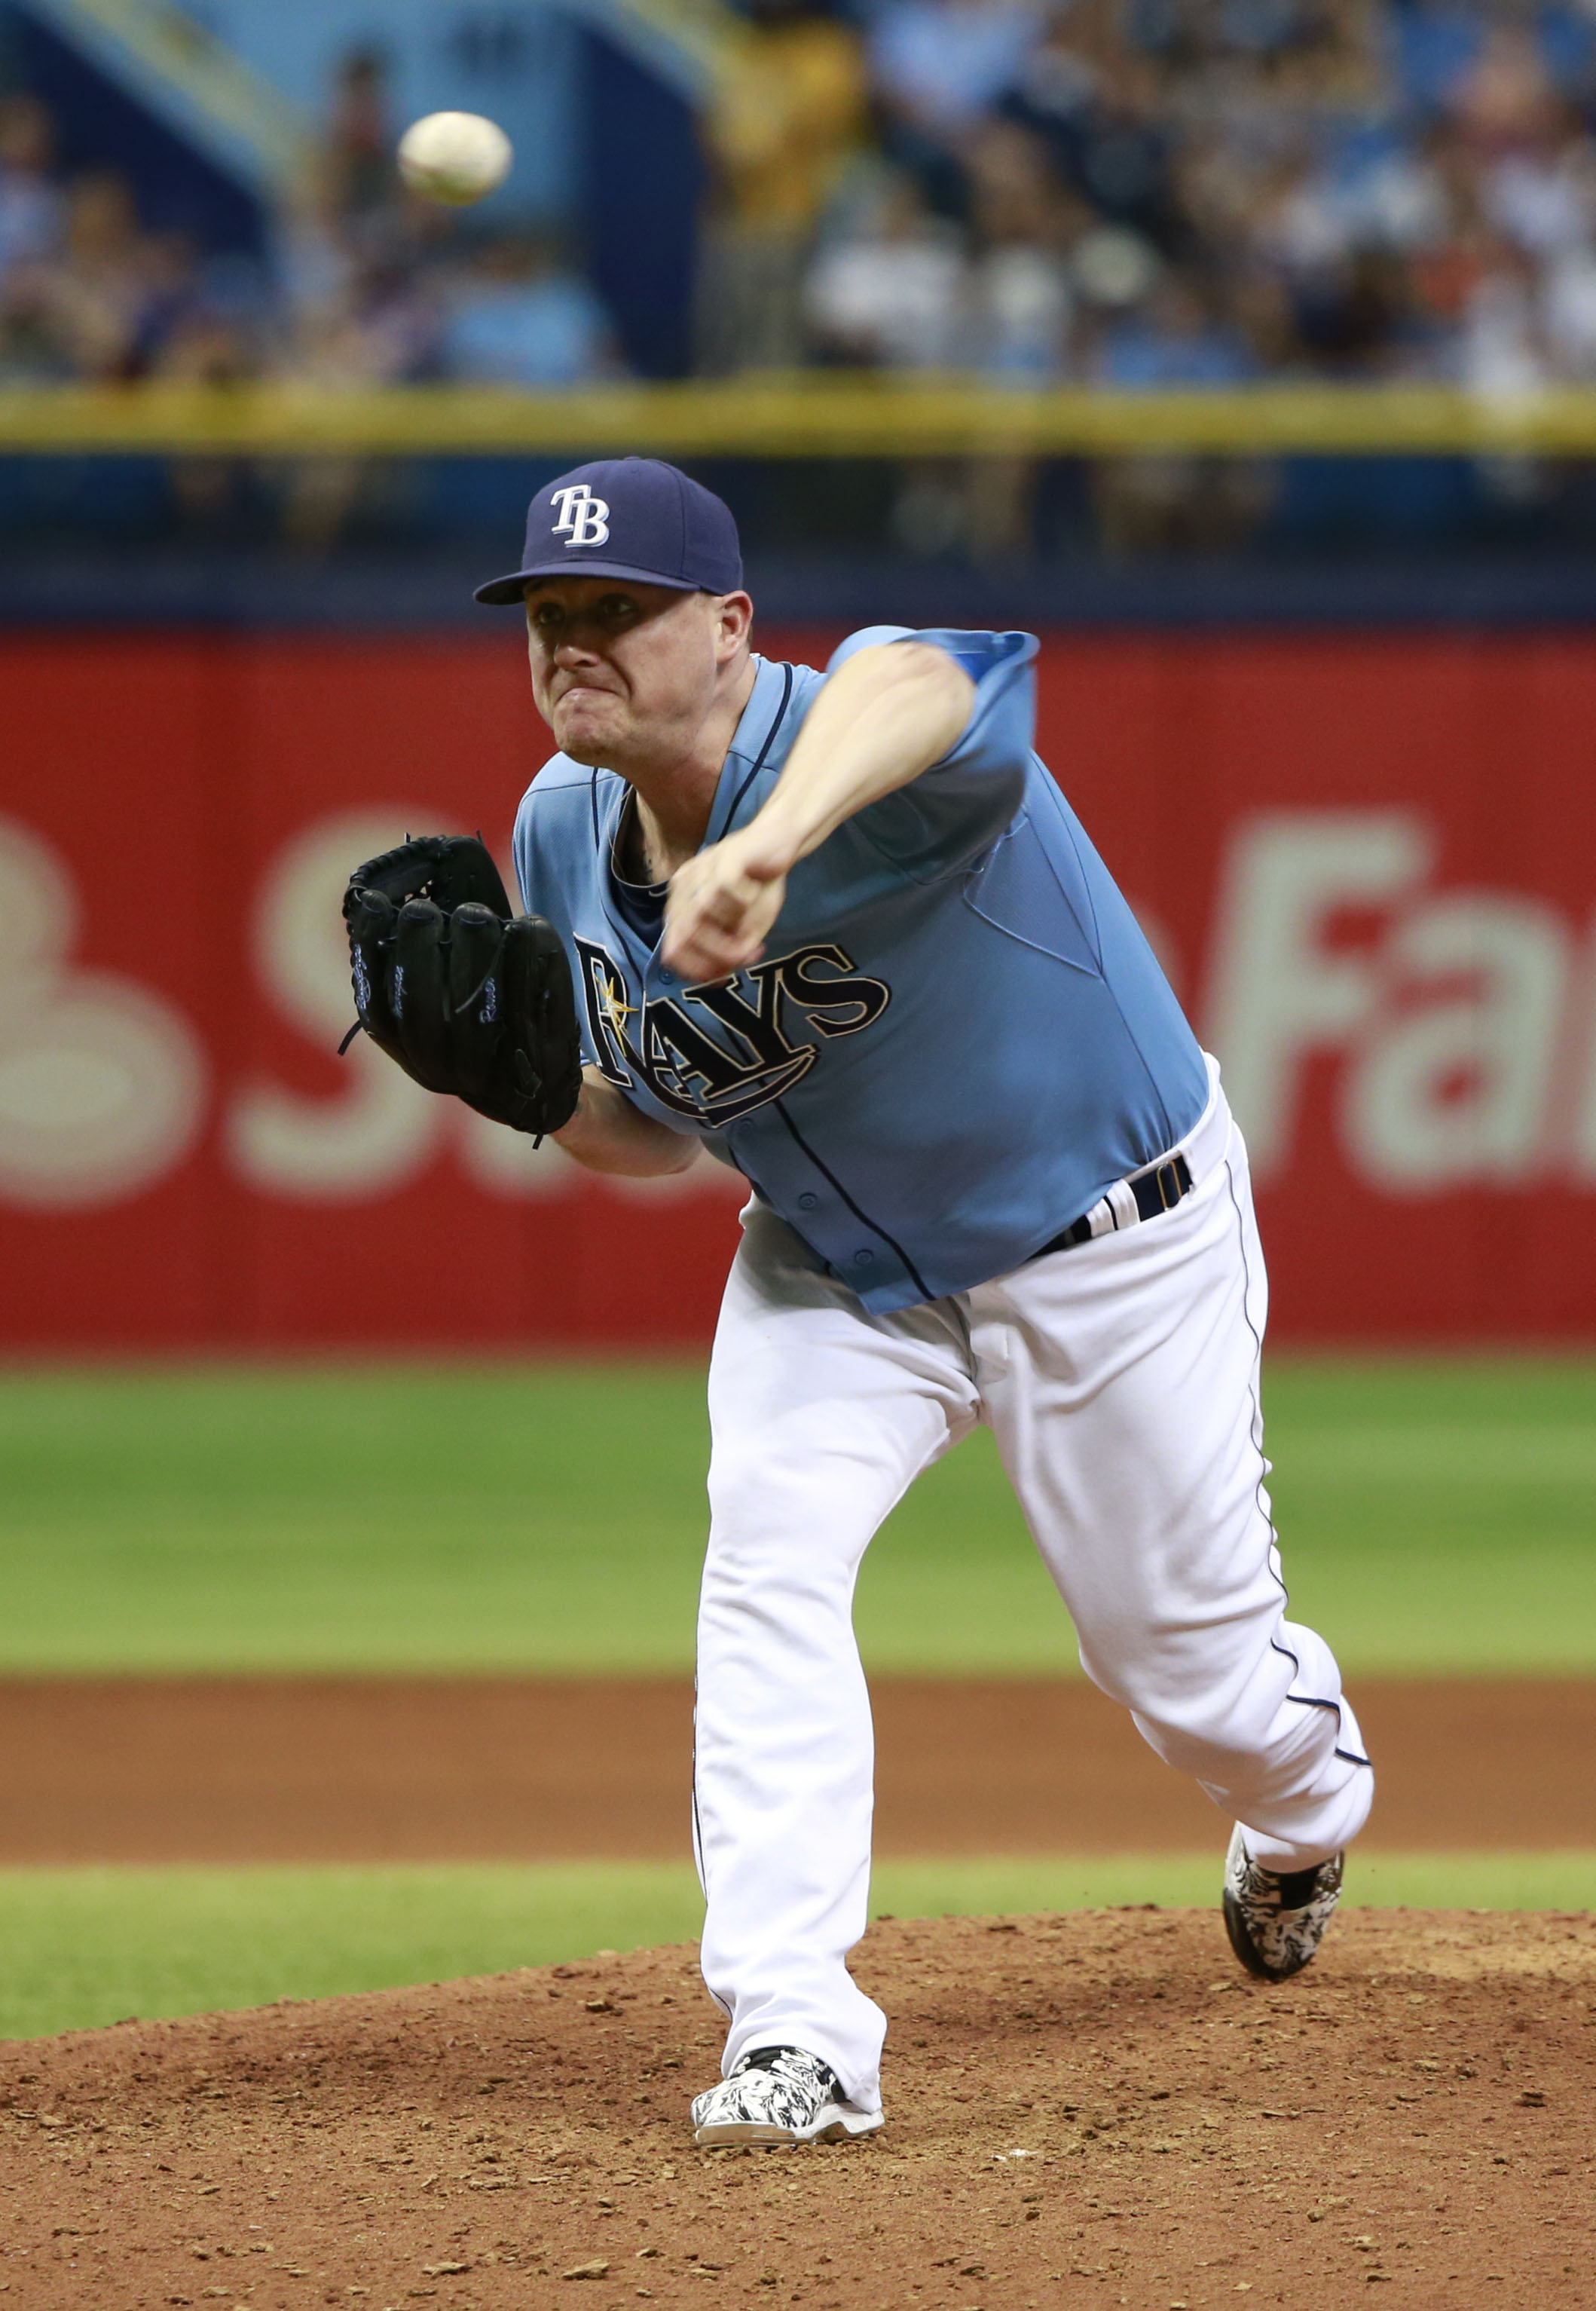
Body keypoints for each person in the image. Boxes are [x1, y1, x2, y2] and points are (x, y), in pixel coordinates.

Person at [468, 456, 1374, 2147]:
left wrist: (775, 841)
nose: (572, 642)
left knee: (1188, 1681)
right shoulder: (558, 827)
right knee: (766, 1561)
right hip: (834, 1269)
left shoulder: (865, 745)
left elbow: (941, 672)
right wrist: (508, 1087)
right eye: (547, 614)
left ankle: (1309, 1800)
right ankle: (794, 2027)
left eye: (618, 611)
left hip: (1104, 1242)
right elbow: (654, 1131)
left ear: (732, 631)